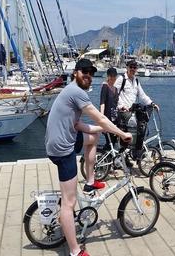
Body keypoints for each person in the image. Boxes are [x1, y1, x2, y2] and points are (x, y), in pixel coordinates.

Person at [45, 58, 132, 256]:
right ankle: (75, 251)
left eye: (91, 73)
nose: (88, 76)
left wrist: (103, 129)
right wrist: (121, 133)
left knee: (93, 137)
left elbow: (79, 126)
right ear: (76, 72)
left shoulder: (73, 91)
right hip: (62, 149)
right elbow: (98, 116)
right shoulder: (76, 92)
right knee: (69, 202)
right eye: (84, 71)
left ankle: (90, 182)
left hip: (66, 137)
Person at [114, 60, 159, 159]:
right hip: (123, 112)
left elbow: (142, 96)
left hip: (132, 112)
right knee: (131, 132)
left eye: (135, 67)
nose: (133, 69)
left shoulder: (136, 81)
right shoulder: (121, 79)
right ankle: (124, 155)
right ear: (127, 67)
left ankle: (134, 152)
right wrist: (121, 105)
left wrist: (152, 103)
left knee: (141, 127)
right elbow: (115, 94)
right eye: (131, 67)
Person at [100, 67, 118, 147]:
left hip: (115, 117)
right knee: (109, 140)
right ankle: (105, 156)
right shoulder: (105, 86)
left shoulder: (116, 89)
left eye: (114, 76)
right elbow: (102, 103)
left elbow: (116, 104)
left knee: (114, 140)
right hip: (107, 117)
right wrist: (101, 118)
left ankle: (110, 157)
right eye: (111, 76)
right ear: (108, 76)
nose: (113, 78)